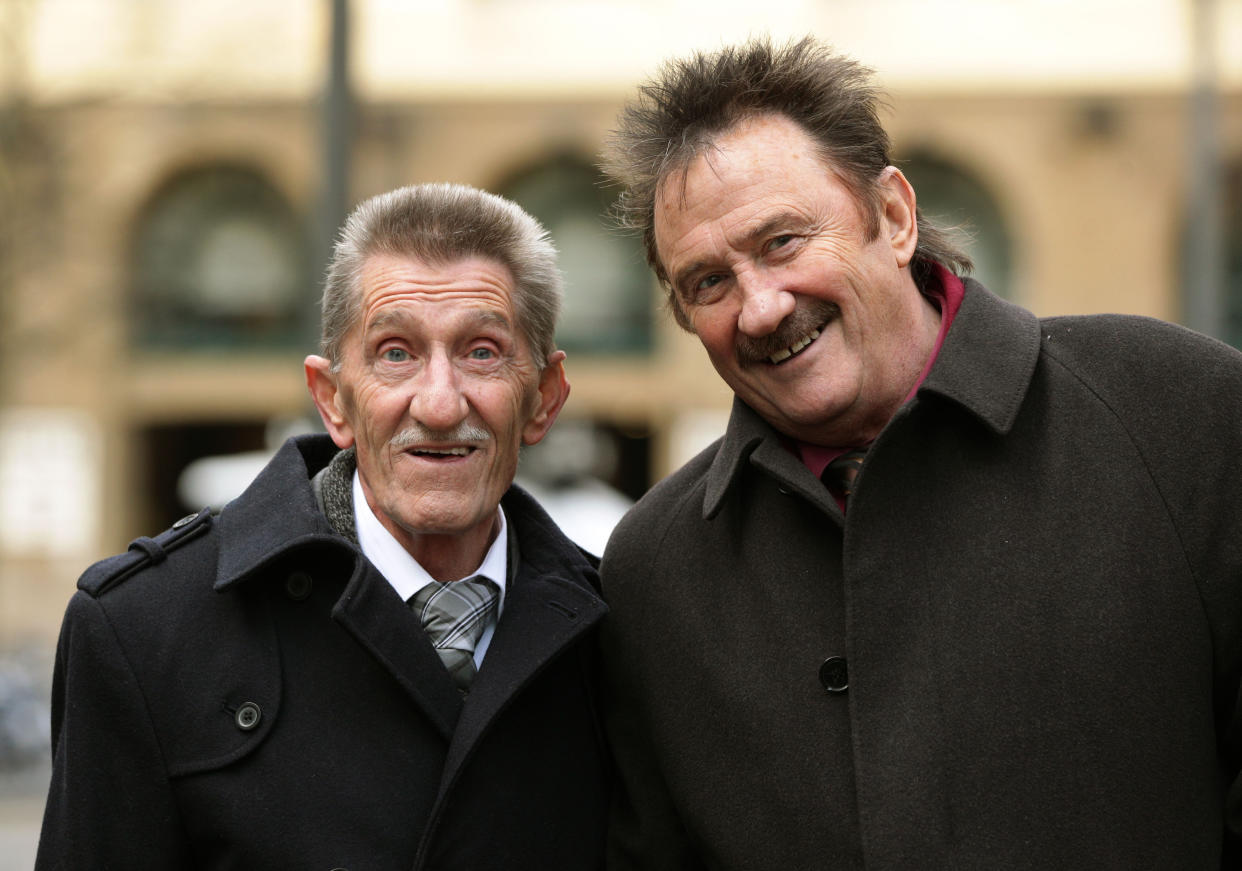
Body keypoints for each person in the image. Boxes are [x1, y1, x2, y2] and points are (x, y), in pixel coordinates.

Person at [598, 36, 1242, 869]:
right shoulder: (656, 569)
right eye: (708, 282)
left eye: (783, 242)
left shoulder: (1177, 411)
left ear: (894, 217)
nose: (759, 307)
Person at [36, 183, 610, 869]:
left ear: (543, 399)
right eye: (395, 352)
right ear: (333, 400)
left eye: (482, 351)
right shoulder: (142, 633)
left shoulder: (621, 638)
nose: (436, 401)